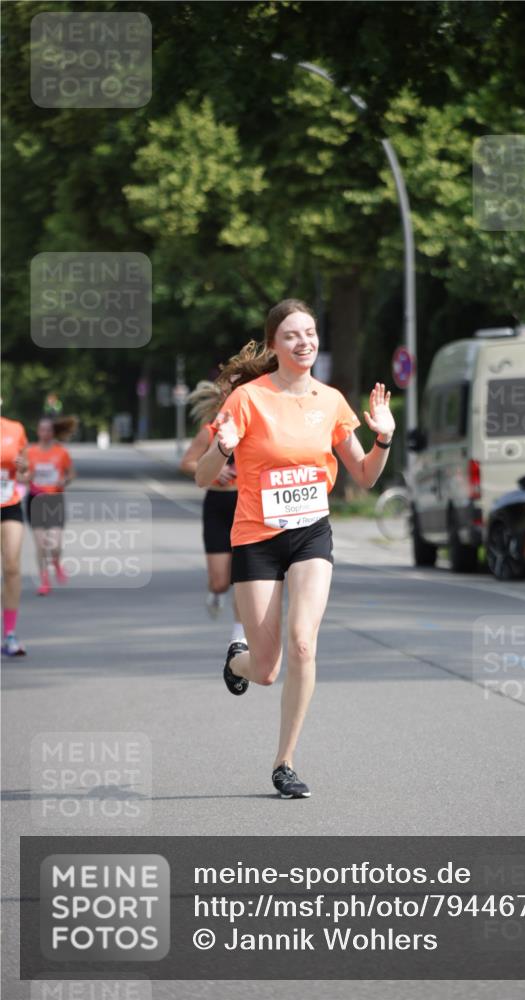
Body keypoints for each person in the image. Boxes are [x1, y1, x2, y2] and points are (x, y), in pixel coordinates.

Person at [195, 298, 395, 798]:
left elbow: (366, 476)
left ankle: (284, 762)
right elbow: (203, 475)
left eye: (310, 333)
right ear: (274, 345)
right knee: (266, 670)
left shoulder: (331, 401)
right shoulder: (246, 399)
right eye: (291, 335)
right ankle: (236, 660)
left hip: (310, 533)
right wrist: (223, 446)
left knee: (304, 640)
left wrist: (383, 440)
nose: (304, 342)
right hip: (256, 537)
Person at [180, 380, 246, 646]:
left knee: (244, 573)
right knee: (220, 581)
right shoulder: (210, 432)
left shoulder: (256, 430)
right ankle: (217, 594)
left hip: (247, 507)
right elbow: (187, 463)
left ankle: (239, 633)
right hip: (218, 507)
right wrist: (215, 471)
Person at [25, 416, 76, 596]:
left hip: (55, 500)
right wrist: (27, 478)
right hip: (35, 500)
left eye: (49, 430)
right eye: (42, 430)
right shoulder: (30, 453)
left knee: (55, 544)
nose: (45, 433)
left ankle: (55, 560)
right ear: (38, 432)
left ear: (53, 432)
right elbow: (22, 477)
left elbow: (71, 474)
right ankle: (44, 580)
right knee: (40, 545)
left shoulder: (61, 453)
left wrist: (65, 480)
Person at [1, 414, 29, 655]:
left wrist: (23, 469)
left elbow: (25, 473)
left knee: (11, 567)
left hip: (9, 503)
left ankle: (9, 635)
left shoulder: (15, 428)